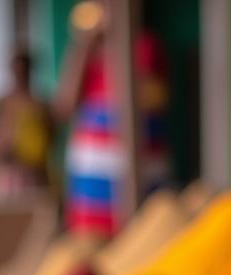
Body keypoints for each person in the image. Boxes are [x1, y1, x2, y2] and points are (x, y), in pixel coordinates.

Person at [53, 0, 169, 237]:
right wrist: (84, 45)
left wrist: (115, 44)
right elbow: (64, 107)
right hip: (91, 185)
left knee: (137, 242)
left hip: (137, 177)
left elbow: (148, 101)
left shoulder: (146, 46)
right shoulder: (86, 51)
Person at [0, 49, 51, 195]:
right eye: (17, 72)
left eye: (23, 72)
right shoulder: (3, 103)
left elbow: (49, 142)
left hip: (35, 178)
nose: (19, 76)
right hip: (8, 179)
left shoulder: (40, 106)